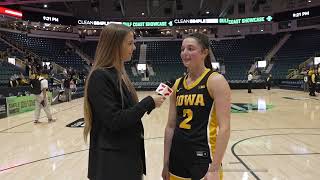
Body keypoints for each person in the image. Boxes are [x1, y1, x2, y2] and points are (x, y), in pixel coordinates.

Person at [83, 24, 166, 180]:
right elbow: (114, 120)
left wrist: (151, 103)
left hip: (126, 157)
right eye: (129, 43)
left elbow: (127, 114)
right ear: (114, 46)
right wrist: (148, 102)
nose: (134, 47)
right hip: (112, 164)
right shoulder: (100, 77)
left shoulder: (119, 74)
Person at [162, 33, 231, 180]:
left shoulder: (215, 81)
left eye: (190, 48)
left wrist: (214, 168)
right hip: (177, 157)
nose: (185, 53)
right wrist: (166, 163)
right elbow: (170, 126)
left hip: (203, 159)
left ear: (204, 52)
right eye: (182, 49)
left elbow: (224, 128)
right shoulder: (177, 84)